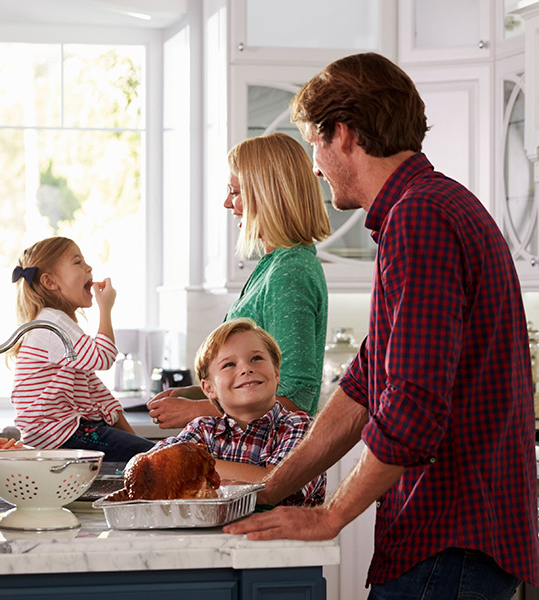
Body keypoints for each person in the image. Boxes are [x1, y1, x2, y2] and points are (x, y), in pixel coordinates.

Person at [224, 52, 539, 599]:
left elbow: (411, 404)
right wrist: (271, 491)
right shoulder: (429, 208)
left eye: (316, 146)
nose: (316, 167)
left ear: (343, 135)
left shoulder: (419, 218)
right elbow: (368, 381)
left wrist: (330, 517)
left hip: (451, 534)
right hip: (460, 535)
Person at [147, 132, 331, 428]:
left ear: (266, 195)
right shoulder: (274, 265)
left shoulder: (289, 272)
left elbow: (295, 397)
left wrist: (195, 411)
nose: (226, 203)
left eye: (234, 192)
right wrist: (195, 393)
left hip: (266, 456)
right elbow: (259, 384)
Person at [10, 236, 155, 462]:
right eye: (77, 262)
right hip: (59, 435)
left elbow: (99, 394)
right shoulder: (52, 324)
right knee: (159, 457)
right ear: (49, 282)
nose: (88, 267)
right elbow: (104, 357)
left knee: (157, 455)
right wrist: (105, 308)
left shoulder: (61, 325)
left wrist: (142, 447)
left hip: (69, 431)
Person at [153, 318, 325, 506]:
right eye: (229, 365)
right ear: (209, 388)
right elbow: (157, 464)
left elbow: (277, 483)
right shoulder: (203, 429)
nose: (246, 369)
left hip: (282, 536)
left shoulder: (301, 426)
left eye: (256, 359)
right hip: (212, 536)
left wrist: (192, 465)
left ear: (276, 373)